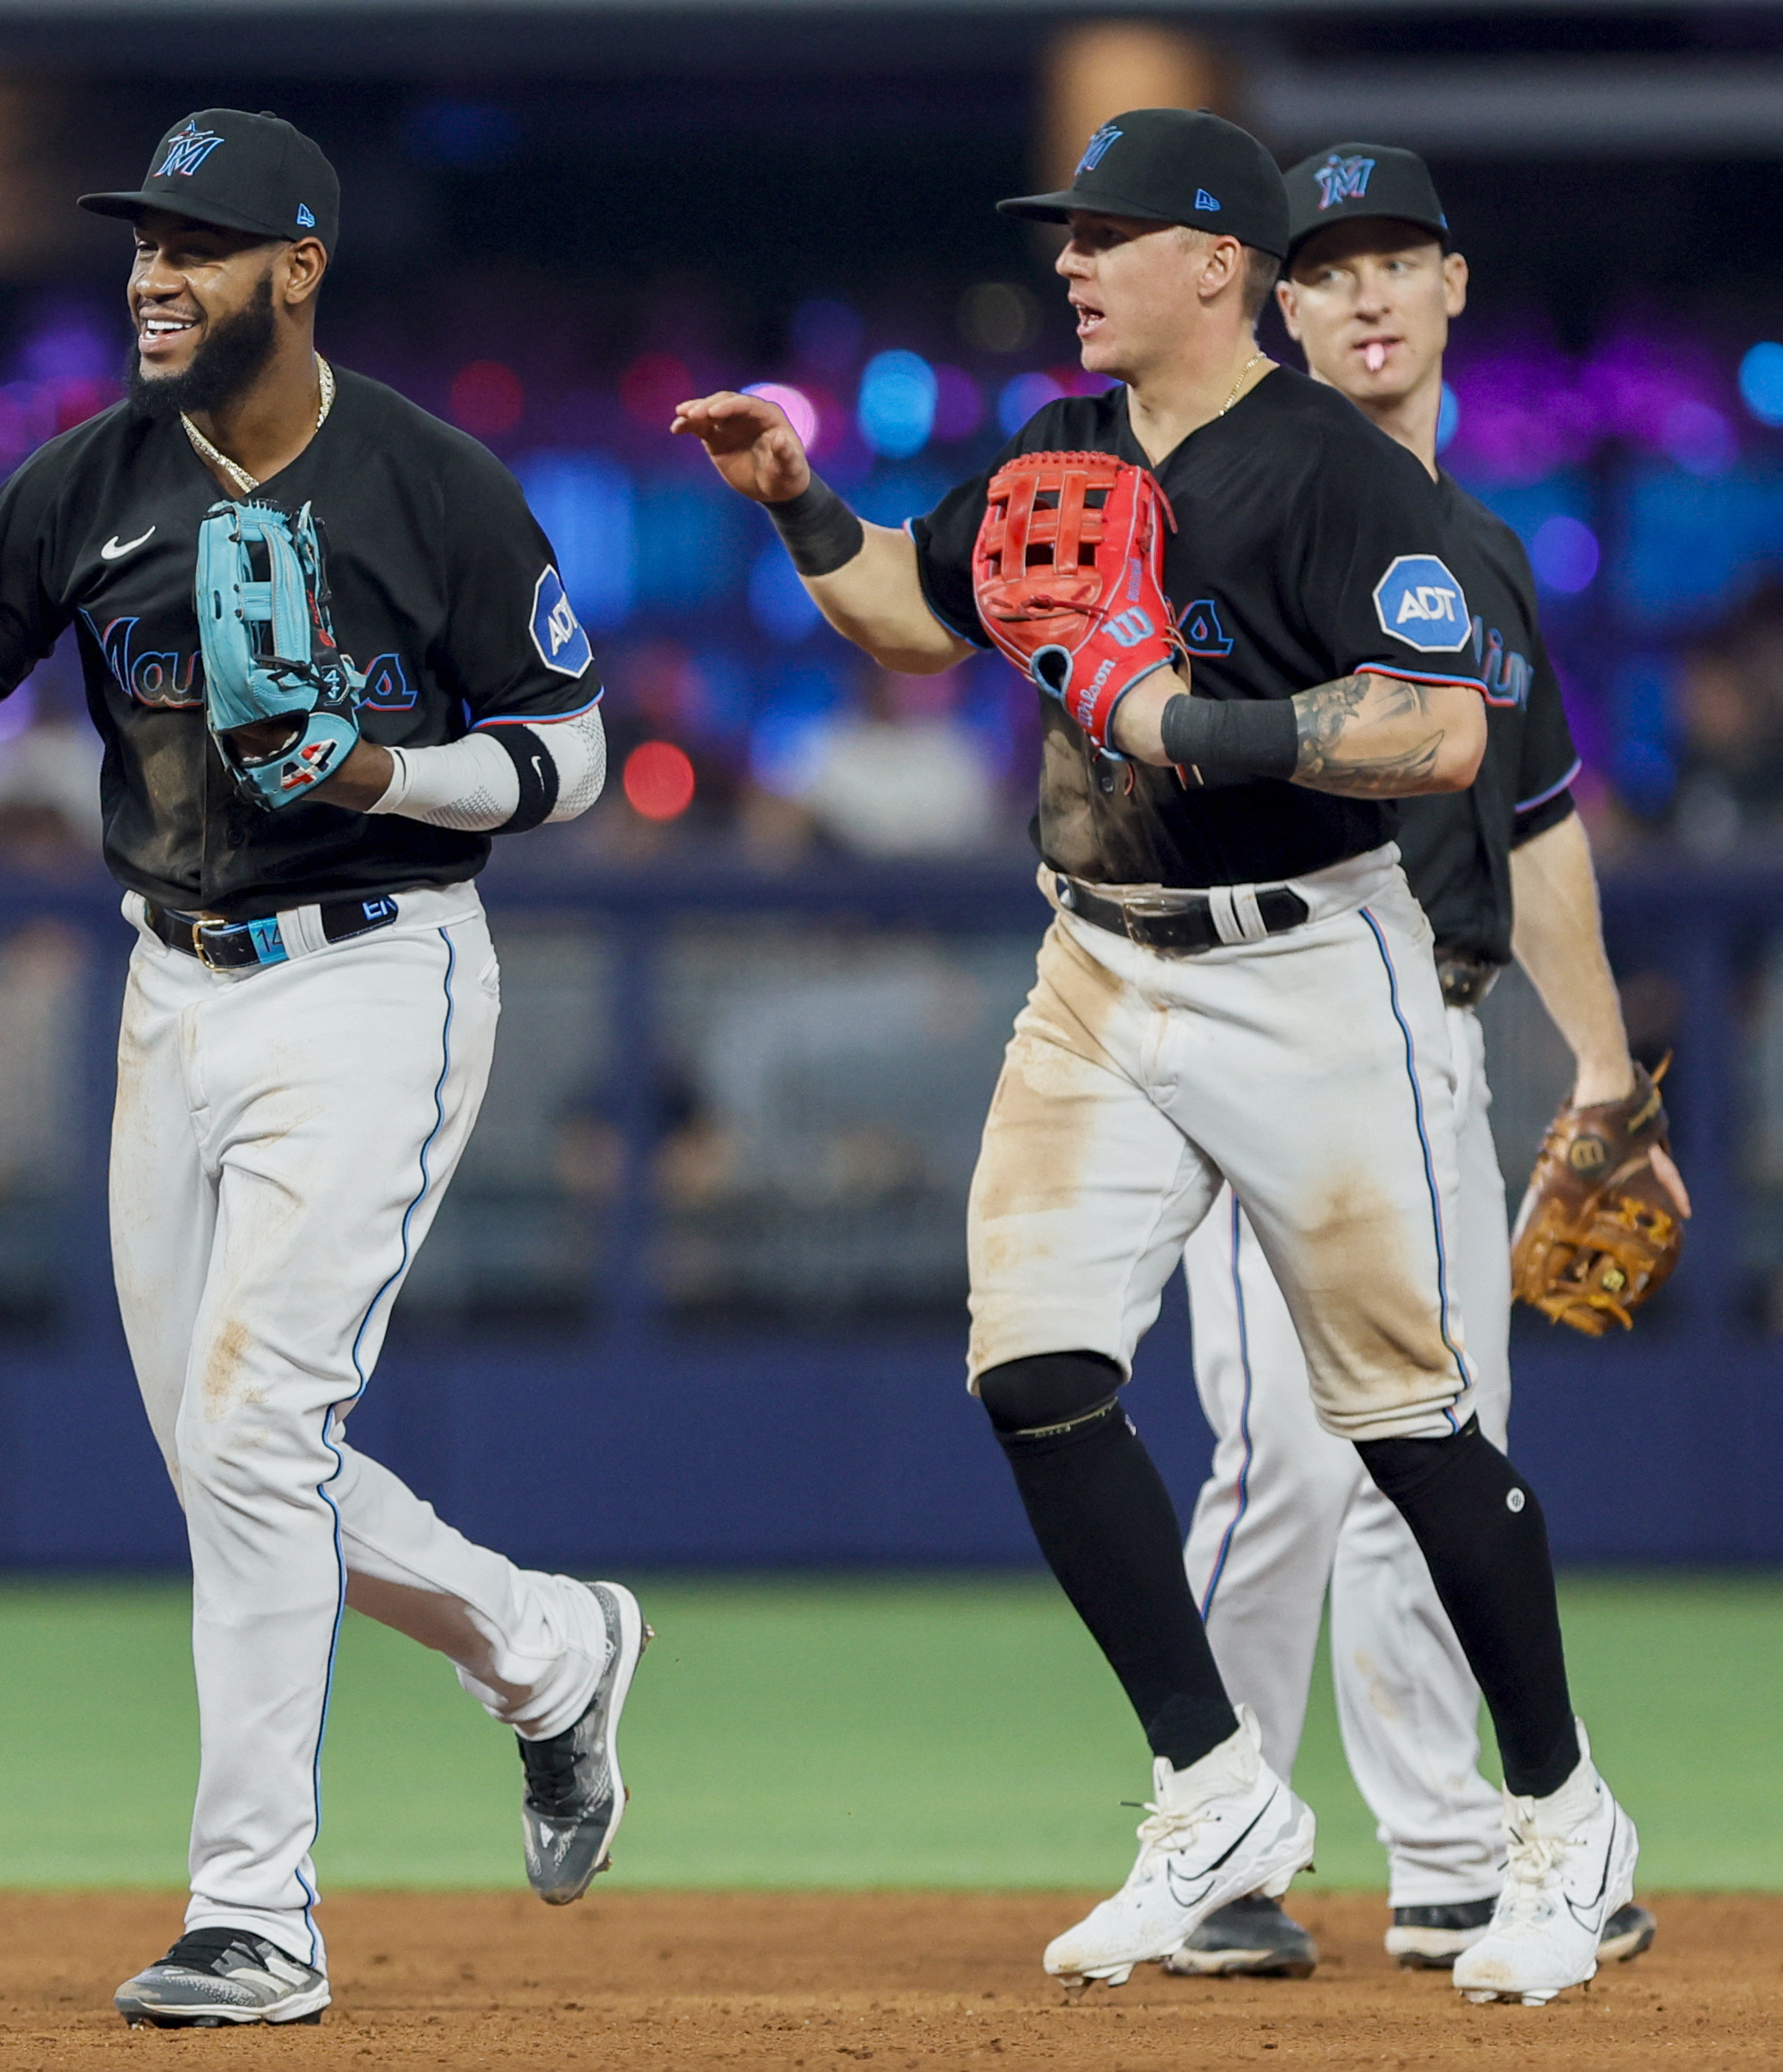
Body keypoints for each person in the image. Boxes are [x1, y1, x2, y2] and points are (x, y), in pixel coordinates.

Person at [676, 107, 1637, 2007]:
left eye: (1105, 232)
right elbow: (902, 603)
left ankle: (1557, 1812)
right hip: (1099, 963)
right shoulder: (1058, 448)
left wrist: (1184, 716)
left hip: (1309, 974)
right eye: (1067, 232)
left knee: (1405, 1424)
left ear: (1216, 260)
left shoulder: (1337, 477)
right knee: (1029, 1363)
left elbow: (1438, 736)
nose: (1067, 261)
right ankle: (1211, 1790)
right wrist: (794, 500)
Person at [0, 109, 641, 2029]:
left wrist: (380, 774)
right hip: (166, 986)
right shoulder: (78, 484)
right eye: (141, 242)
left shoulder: (427, 481)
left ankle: (252, 1909)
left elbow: (570, 747)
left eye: (199, 242)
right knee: (227, 1458)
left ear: (299, 268)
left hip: (374, 970)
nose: (154, 273)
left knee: (256, 1440)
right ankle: (545, 1645)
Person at [1167, 142, 1665, 1983]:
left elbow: (1533, 832)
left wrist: (1601, 1077)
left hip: (1431, 1032)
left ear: (1453, 286)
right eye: (1327, 266)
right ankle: (1209, 1818)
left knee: (1432, 1440)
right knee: (1280, 1460)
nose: (1365, 292)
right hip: (1256, 1016)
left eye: (1398, 260)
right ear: (1276, 307)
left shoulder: (1474, 550)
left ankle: (1447, 1848)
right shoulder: (1232, 505)